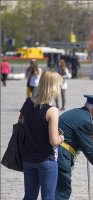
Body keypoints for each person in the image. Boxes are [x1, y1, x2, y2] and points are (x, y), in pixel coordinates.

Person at [55, 95, 93, 200]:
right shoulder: (85, 120)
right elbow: (88, 148)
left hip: (57, 152)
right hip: (61, 155)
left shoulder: (78, 113)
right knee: (62, 191)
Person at [18, 70, 65, 200]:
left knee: (29, 196)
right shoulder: (51, 110)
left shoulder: (27, 103)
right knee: (48, 196)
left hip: (28, 157)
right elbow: (54, 141)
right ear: (53, 87)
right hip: (46, 159)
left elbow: (20, 122)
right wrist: (61, 138)